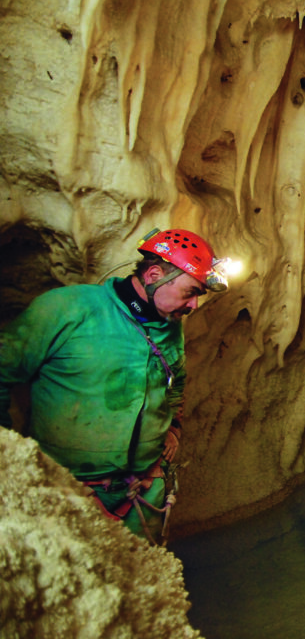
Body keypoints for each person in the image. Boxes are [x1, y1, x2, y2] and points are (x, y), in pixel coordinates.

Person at [0, 228, 233, 543]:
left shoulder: (169, 327)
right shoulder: (68, 309)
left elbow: (175, 384)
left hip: (143, 493)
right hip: (66, 494)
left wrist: (173, 428)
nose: (193, 305)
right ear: (154, 275)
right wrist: (8, 461)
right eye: (190, 292)